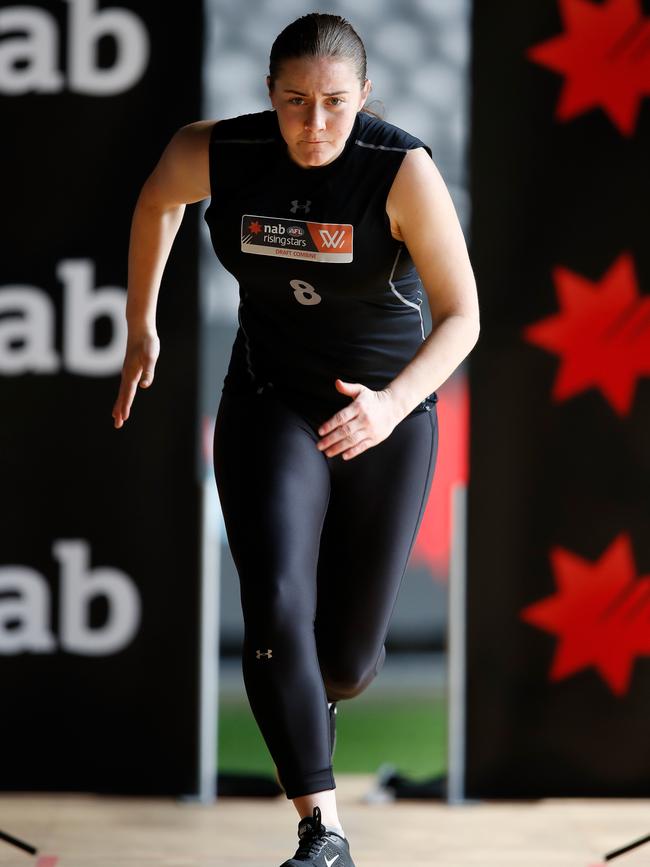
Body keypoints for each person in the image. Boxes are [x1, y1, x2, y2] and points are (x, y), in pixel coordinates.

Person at [112, 12, 479, 867]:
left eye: (335, 105)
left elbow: (463, 318)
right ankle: (324, 831)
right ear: (267, 96)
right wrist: (142, 324)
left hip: (383, 413)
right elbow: (159, 199)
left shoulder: (400, 170)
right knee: (276, 607)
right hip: (269, 400)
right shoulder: (223, 151)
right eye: (294, 102)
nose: (314, 126)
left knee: (342, 662)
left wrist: (389, 407)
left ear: (367, 98)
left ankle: (320, 694)